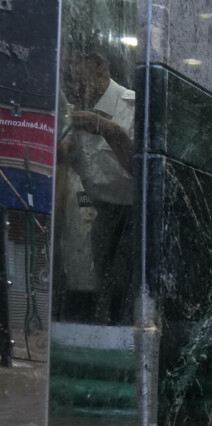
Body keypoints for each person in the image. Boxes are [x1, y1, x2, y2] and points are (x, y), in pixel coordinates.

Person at [58, 49, 135, 324]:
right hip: (102, 219)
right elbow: (68, 158)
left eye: (72, 72)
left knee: (126, 297)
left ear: (98, 65)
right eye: (62, 76)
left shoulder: (133, 108)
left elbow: (146, 176)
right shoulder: (73, 114)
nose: (67, 82)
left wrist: (108, 129)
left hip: (136, 221)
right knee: (104, 299)